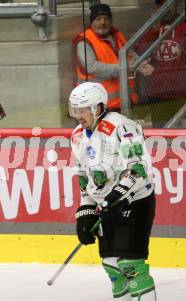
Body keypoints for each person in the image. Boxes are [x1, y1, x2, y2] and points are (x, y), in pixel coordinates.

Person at [69, 82, 156, 300]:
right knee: (112, 268)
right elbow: (84, 177)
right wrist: (86, 212)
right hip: (106, 206)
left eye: (83, 110)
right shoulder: (77, 136)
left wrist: (115, 197)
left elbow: (138, 169)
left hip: (135, 202)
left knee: (130, 266)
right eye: (75, 110)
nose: (78, 115)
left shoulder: (122, 127)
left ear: (98, 108)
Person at [134, 0, 186, 128]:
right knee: (162, 137)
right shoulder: (153, 29)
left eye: (169, 4)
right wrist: (152, 29)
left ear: (176, 6)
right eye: (161, 5)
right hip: (157, 94)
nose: (165, 8)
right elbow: (141, 55)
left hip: (183, 93)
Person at [73, 3, 154, 112]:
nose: (102, 22)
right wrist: (124, 68)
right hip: (98, 105)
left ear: (111, 21)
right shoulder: (84, 41)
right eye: (98, 19)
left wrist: (140, 64)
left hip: (124, 102)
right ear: (92, 22)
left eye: (106, 18)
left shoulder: (117, 35)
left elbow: (130, 54)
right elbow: (92, 67)